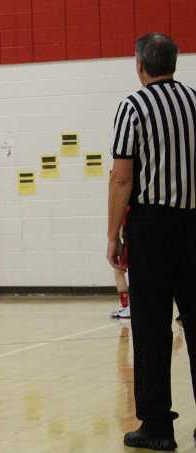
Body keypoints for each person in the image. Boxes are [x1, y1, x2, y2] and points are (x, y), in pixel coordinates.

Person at [107, 32, 196, 451]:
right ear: (173, 63)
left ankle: (158, 427)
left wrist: (112, 235)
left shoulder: (133, 106)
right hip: (194, 225)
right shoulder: (195, 102)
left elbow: (122, 178)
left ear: (140, 65)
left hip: (152, 229)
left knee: (151, 329)